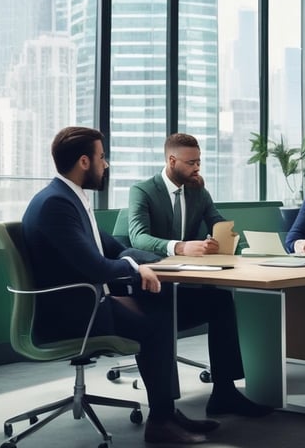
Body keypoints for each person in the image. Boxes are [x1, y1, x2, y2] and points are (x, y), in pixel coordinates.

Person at [21, 126, 213, 445]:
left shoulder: (67, 196)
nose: (105, 164)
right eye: (101, 157)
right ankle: (162, 420)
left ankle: (166, 413)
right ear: (84, 161)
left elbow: (106, 245)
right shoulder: (57, 204)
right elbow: (95, 266)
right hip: (71, 312)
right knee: (158, 320)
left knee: (158, 303)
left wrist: (144, 261)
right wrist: (138, 271)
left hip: (81, 300)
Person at [127, 133, 272, 418]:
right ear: (171, 161)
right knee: (168, 312)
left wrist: (219, 238)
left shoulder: (198, 192)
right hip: (152, 288)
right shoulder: (142, 191)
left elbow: (216, 220)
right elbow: (138, 237)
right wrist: (180, 247)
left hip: (184, 283)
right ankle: (164, 410)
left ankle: (225, 392)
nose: (197, 168)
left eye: (199, 161)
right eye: (191, 162)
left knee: (220, 302)